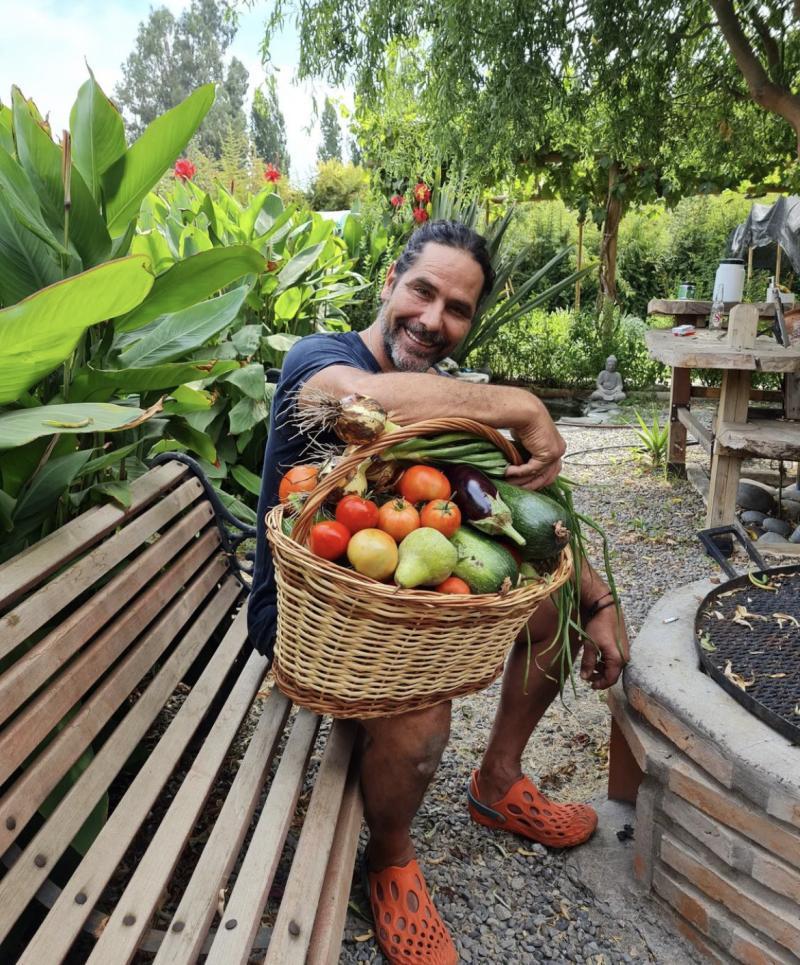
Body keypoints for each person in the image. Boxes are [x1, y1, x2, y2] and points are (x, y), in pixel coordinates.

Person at [249, 220, 629, 965]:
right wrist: (521, 404)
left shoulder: (444, 395)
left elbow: (501, 510)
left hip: (400, 592)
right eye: (423, 291)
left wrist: (599, 599)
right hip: (307, 615)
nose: (434, 319)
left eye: (458, 308)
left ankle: (499, 780)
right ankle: (389, 858)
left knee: (547, 606)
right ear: (392, 280)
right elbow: (359, 400)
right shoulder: (316, 358)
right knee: (424, 715)